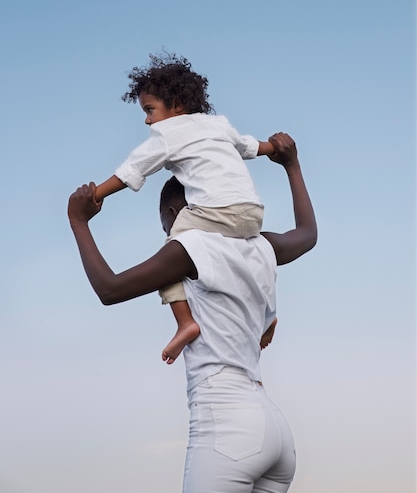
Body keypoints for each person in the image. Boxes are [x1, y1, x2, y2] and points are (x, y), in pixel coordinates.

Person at [68, 132, 317, 493]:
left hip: (227, 420)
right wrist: (292, 165)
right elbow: (307, 234)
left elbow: (110, 289)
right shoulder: (260, 244)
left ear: (172, 213)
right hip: (274, 424)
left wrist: (78, 221)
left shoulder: (190, 245)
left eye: (163, 223)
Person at [94, 52, 276, 363]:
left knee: (173, 250)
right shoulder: (218, 124)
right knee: (256, 252)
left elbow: (133, 169)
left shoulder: (168, 133)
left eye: (150, 110)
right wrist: (277, 147)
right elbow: (249, 146)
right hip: (252, 212)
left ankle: (185, 321)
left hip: (215, 211)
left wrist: (95, 195)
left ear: (176, 105)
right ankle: (269, 315)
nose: (147, 119)